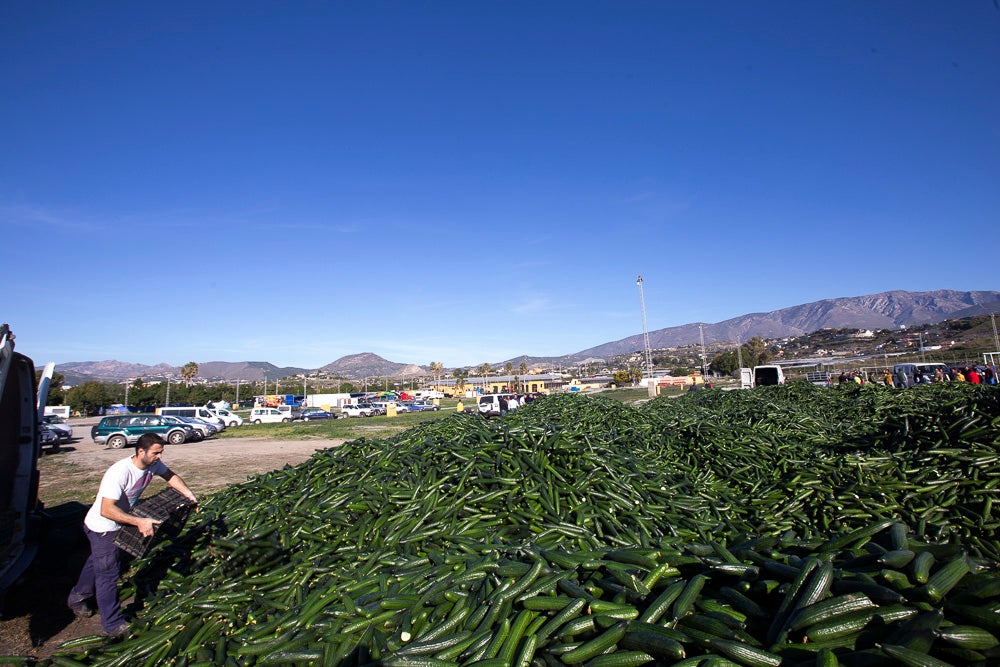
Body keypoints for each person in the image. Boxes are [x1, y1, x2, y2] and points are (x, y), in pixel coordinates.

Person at [67, 433, 197, 636]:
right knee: (108, 573)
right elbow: (106, 510)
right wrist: (139, 521)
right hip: (103, 526)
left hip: (119, 521)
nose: (159, 457)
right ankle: (112, 624)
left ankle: (78, 596)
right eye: (156, 453)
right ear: (140, 451)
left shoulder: (152, 465)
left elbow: (170, 476)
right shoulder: (120, 472)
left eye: (161, 452)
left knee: (97, 562)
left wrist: (188, 494)